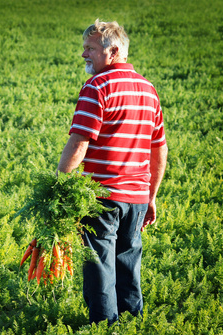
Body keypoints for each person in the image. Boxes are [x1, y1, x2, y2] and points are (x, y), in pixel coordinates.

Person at [56, 19, 168, 325]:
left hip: (102, 196)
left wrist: (59, 187)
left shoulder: (96, 87)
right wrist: (151, 196)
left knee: (98, 265)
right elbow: (159, 150)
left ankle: (105, 328)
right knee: (127, 262)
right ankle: (132, 324)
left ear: (113, 52)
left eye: (90, 49)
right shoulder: (148, 89)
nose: (84, 55)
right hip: (137, 198)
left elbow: (79, 142)